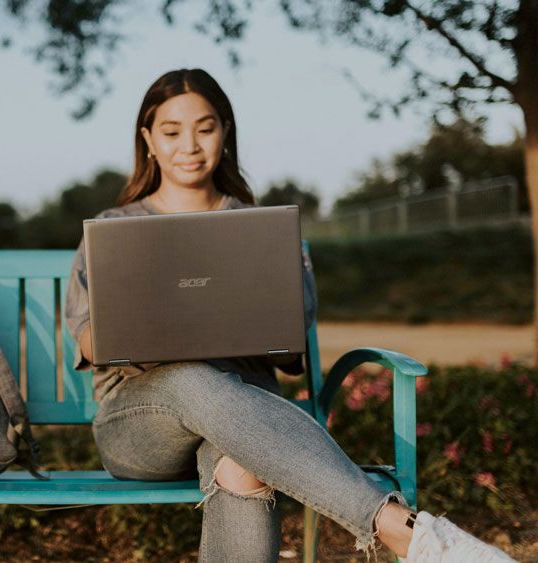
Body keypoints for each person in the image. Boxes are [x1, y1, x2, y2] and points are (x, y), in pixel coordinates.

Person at [64, 68, 514, 562]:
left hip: (248, 424)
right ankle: (400, 528)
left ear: (225, 132)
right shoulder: (112, 230)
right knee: (191, 378)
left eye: (205, 128)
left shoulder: (263, 233)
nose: (188, 145)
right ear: (148, 139)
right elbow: (88, 342)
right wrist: (148, 327)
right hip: (141, 426)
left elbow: (290, 355)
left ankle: (414, 537)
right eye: (171, 132)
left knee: (241, 463)